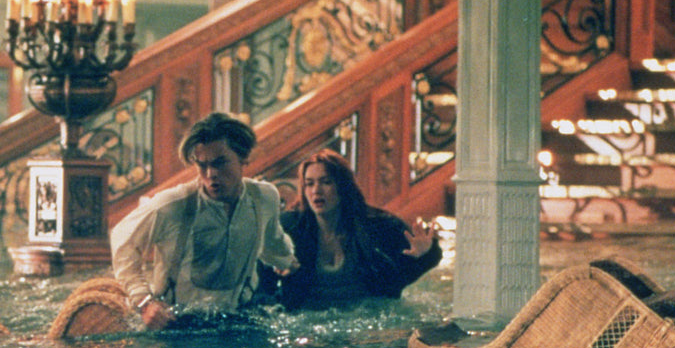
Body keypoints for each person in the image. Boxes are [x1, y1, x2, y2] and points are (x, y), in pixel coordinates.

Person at [110, 112, 299, 330]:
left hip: (239, 319)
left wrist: (286, 260)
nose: (211, 174)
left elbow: (271, 238)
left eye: (220, 163)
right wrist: (145, 302)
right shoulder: (174, 204)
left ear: (243, 158)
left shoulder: (263, 197)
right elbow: (122, 241)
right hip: (176, 324)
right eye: (202, 165)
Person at [271, 149, 440, 310]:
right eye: (309, 184)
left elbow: (400, 277)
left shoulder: (377, 225)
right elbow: (264, 291)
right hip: (307, 319)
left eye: (326, 182)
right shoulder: (289, 228)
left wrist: (426, 254)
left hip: (367, 318)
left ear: (343, 186)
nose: (316, 191)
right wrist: (279, 272)